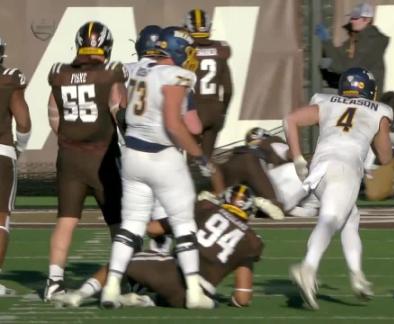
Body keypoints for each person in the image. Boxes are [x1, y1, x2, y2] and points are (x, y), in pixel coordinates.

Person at [99, 26, 214, 310]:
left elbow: (115, 81)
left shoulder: (138, 70)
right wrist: (199, 155)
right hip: (162, 156)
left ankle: (112, 286)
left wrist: (121, 114)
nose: (190, 58)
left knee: (132, 225)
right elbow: (178, 125)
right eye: (187, 52)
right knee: (184, 223)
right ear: (177, 51)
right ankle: (193, 291)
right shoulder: (177, 75)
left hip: (133, 157)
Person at [284, 67, 393, 310]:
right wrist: (381, 138)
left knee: (350, 217)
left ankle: (357, 275)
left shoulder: (326, 101)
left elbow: (289, 120)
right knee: (331, 218)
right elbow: (385, 157)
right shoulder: (380, 110)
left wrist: (298, 158)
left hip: (320, 167)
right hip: (346, 169)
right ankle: (308, 267)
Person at [52, 184, 263, 308]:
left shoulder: (206, 207)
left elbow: (154, 230)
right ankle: (144, 299)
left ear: (224, 198)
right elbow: (243, 297)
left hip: (172, 275)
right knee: (195, 294)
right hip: (199, 296)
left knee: (122, 261)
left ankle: (79, 295)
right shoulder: (251, 241)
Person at [44, 21, 127, 301]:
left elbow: (54, 116)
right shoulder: (110, 73)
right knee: (118, 222)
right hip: (102, 157)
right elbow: (119, 111)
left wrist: (71, 139)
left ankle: (54, 281)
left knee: (66, 221)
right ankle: (118, 279)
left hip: (69, 157)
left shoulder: (60, 73)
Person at [0, 36, 31, 296]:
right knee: (0, 220)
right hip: (1, 153)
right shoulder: (9, 79)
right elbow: (23, 122)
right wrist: (19, 147)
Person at [184, 9, 233, 157]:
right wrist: (223, 112)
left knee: (190, 161)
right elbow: (228, 89)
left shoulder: (185, 50)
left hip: (194, 110)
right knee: (206, 161)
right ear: (209, 27)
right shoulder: (220, 49)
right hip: (214, 110)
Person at [315, 3, 389, 92]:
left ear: (367, 20)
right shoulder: (356, 38)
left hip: (368, 96)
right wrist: (327, 41)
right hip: (356, 91)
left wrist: (331, 64)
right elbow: (340, 55)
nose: (352, 21)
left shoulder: (372, 41)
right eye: (352, 18)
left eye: (355, 18)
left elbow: (351, 68)